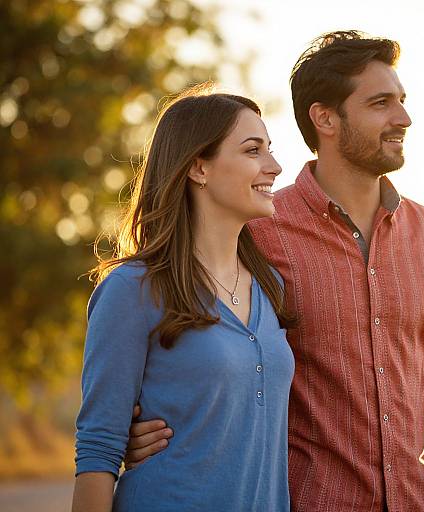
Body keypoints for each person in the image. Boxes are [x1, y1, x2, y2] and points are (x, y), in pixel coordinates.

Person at [125, 32, 424, 512]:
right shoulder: (257, 231)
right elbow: (168, 322)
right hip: (308, 501)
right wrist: (130, 429)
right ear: (325, 117)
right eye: (381, 103)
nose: (403, 118)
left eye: (402, 101)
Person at [72, 86, 296, 512]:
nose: (275, 166)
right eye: (253, 151)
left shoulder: (271, 288)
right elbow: (99, 448)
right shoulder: (133, 288)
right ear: (198, 167)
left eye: (270, 149)